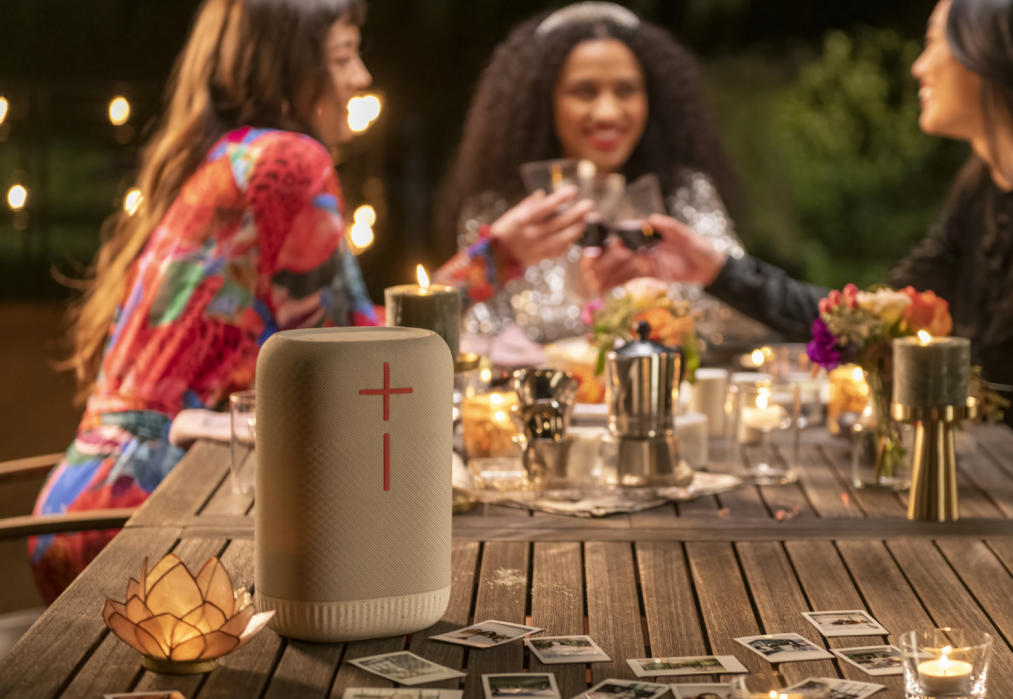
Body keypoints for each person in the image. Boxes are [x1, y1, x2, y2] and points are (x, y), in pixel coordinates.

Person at [591, 0, 1013, 575]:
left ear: (994, 55)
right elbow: (871, 319)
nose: (919, 65)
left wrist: (876, 355)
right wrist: (715, 271)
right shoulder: (984, 186)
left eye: (935, 43)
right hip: (1001, 503)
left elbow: (992, 378)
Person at [29, 0, 384, 602]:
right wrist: (494, 262)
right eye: (344, 55)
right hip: (147, 512)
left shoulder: (227, 157)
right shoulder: (289, 161)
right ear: (289, 67)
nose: (362, 77)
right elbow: (365, 353)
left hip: (81, 500)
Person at [433, 1, 763, 345]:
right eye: (584, 91)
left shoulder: (683, 195)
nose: (607, 112)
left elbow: (750, 322)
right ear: (545, 102)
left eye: (626, 90)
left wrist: (659, 294)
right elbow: (459, 337)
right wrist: (498, 257)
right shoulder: (504, 214)